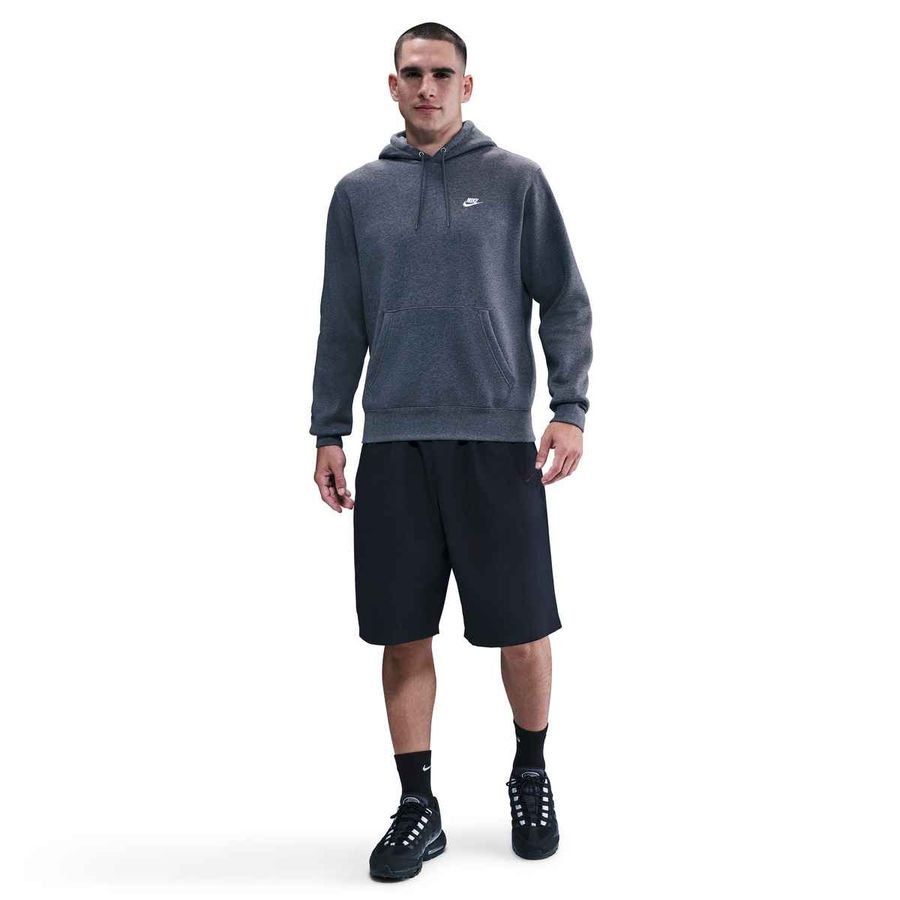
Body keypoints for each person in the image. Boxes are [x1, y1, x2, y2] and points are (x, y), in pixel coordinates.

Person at [309, 22, 593, 880]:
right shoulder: (358, 194)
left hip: (496, 440)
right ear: (392, 86)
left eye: (442, 73)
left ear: (467, 86)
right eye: (412, 73)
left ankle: (531, 773)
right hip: (396, 442)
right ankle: (417, 805)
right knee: (402, 634)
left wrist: (568, 408)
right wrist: (329, 429)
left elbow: (565, 300)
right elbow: (340, 322)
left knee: (523, 629)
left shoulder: (516, 181)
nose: (426, 86)